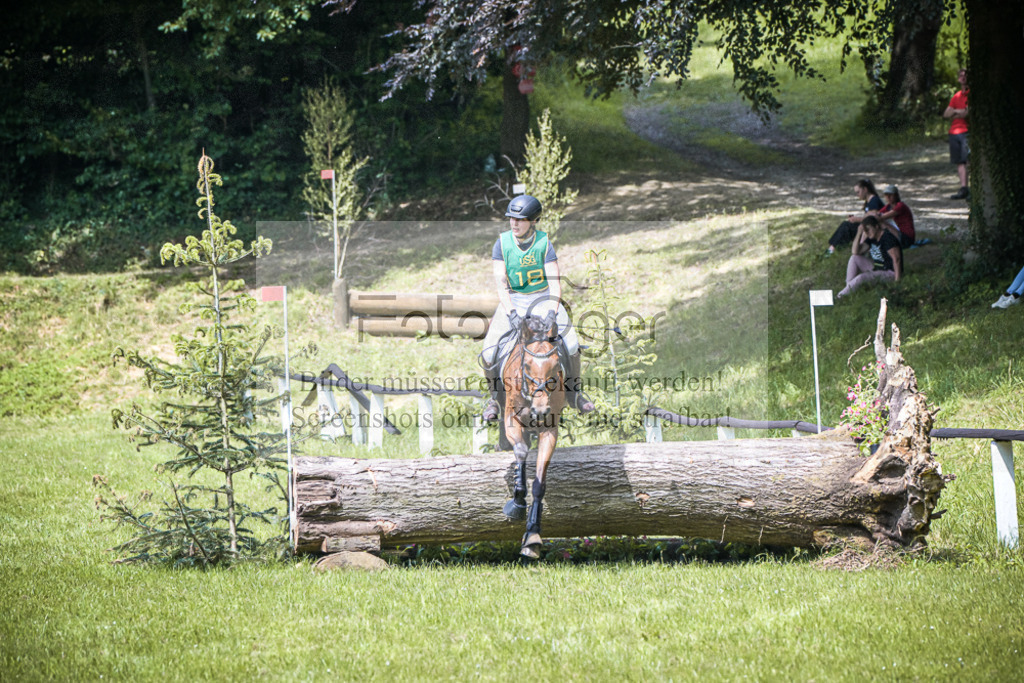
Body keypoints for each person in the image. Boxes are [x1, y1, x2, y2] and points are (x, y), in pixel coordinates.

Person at [480, 194, 595, 420]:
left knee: (572, 344)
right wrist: (511, 313)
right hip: (514, 301)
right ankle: (493, 399)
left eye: (520, 219)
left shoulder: (544, 243)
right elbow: (500, 283)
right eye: (511, 218)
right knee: (489, 351)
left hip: (544, 299)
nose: (514, 223)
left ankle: (575, 394)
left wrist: (552, 311)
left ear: (533, 221)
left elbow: (555, 283)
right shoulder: (502, 244)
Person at [837, 215, 902, 299]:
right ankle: (848, 289)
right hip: (877, 268)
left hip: (889, 273)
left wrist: (897, 282)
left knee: (862, 277)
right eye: (865, 230)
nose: (867, 233)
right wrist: (859, 233)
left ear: (876, 227)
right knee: (854, 258)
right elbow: (855, 252)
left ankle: (839, 297)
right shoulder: (872, 238)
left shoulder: (888, 238)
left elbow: (897, 259)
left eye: (868, 229)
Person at [825, 179, 884, 255]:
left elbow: (873, 220)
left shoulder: (874, 201)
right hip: (867, 226)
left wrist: (857, 219)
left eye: (858, 192)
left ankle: (832, 249)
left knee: (846, 226)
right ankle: (834, 247)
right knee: (846, 225)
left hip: (873, 229)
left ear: (865, 189)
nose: (857, 195)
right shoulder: (869, 201)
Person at [943, 68, 970, 200]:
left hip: (966, 131)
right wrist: (959, 111)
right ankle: (963, 188)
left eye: (965, 75)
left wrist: (955, 112)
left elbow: (967, 113)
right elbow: (946, 114)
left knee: (969, 160)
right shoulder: (957, 96)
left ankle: (974, 189)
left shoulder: (971, 95)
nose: (963, 77)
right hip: (954, 132)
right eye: (961, 75)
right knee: (960, 162)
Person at [873, 184, 915, 249]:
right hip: (898, 234)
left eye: (890, 195)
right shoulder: (888, 207)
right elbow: (877, 214)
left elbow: (881, 217)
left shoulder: (900, 206)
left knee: (882, 223)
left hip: (907, 238)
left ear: (896, 195)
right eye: (886, 195)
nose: (888, 197)